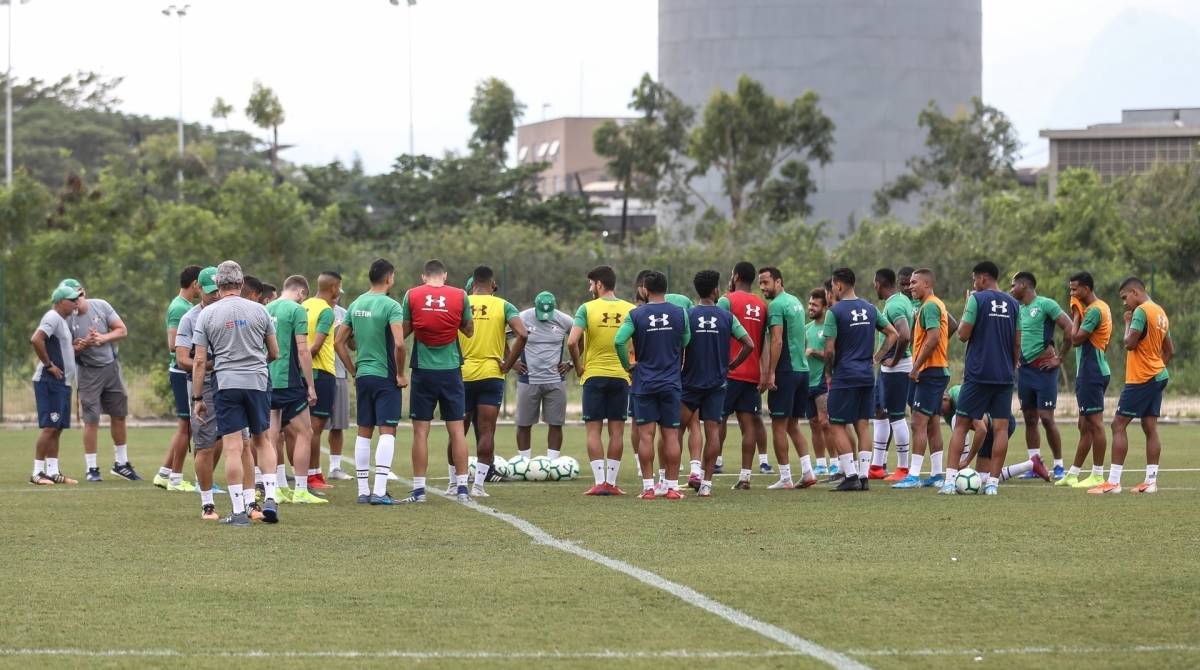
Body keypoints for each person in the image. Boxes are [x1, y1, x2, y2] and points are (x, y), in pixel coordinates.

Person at [191, 260, 281, 526]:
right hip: (257, 381)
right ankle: (271, 499)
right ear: (241, 284)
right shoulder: (260, 311)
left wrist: (197, 398)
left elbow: (198, 361)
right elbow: (274, 352)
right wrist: (256, 366)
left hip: (226, 382)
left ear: (218, 286)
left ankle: (239, 511)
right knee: (262, 440)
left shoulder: (207, 314)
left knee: (232, 447)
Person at [941, 261, 1021, 496]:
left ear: (983, 279)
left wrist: (968, 306)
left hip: (978, 374)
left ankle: (949, 481)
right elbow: (1017, 342)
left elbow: (963, 335)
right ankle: (993, 484)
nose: (974, 284)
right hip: (1004, 375)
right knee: (1001, 428)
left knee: (962, 425)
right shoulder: (1014, 304)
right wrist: (1012, 365)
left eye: (975, 279)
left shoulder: (977, 299)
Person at [334, 258, 408, 505]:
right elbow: (399, 343)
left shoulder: (356, 304)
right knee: (388, 430)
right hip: (385, 376)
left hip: (364, 376)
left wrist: (354, 370)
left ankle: (363, 491)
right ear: (389, 278)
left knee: (364, 431)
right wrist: (399, 374)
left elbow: (338, 342)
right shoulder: (391, 305)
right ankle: (379, 491)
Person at [1089, 277, 1173, 495]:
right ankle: (1151, 481)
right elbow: (1169, 350)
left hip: (1142, 378)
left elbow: (1129, 343)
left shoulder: (1141, 312)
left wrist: (1127, 322)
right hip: (1158, 374)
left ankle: (1114, 482)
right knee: (1149, 426)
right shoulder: (1160, 312)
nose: (1124, 303)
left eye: (1125, 297)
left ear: (1135, 292)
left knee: (1118, 425)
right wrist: (1156, 369)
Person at [400, 259, 473, 503]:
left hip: (423, 369)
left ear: (424, 277)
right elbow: (469, 330)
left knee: (421, 432)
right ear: (445, 275)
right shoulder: (460, 295)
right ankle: (462, 487)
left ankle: (419, 490)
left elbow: (405, 332)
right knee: (457, 430)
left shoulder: (412, 294)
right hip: (451, 369)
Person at [614, 271, 689, 499]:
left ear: (645, 289)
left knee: (646, 435)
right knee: (671, 435)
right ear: (665, 289)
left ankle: (648, 488)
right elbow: (687, 340)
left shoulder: (635, 314)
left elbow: (618, 341)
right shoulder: (680, 313)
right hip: (671, 382)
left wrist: (629, 364)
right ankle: (673, 488)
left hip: (644, 382)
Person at [824, 267, 898, 491]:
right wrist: (875, 358)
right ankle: (864, 478)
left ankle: (851, 475)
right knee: (862, 425)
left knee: (836, 424)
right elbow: (893, 334)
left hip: (845, 375)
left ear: (838, 285)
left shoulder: (834, 312)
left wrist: (830, 372)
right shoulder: (870, 308)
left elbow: (828, 351)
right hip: (867, 375)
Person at [681, 271, 754, 497]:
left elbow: (680, 345)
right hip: (717, 383)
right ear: (715, 291)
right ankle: (706, 485)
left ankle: (669, 482)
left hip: (690, 382)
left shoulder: (688, 315)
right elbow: (749, 344)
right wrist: (732, 364)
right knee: (713, 431)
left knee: (675, 431)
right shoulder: (727, 317)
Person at [458, 265, 527, 496]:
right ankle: (478, 486)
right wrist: (508, 365)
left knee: (459, 431)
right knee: (487, 431)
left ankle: (454, 484)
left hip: (463, 373)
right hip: (491, 374)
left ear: (473, 283)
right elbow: (523, 334)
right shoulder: (504, 305)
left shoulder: (461, 302)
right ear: (493, 283)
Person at [568, 265, 635, 496]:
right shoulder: (630, 309)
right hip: (620, 376)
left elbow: (571, 342)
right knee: (617, 432)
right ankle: (612, 483)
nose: (589, 288)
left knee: (593, 431)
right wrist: (630, 368)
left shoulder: (586, 308)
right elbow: (636, 345)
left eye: (591, 284)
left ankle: (599, 482)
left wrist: (578, 368)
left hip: (594, 375)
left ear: (599, 284)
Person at [61, 278, 135, 483]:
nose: (76, 302)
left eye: (78, 296)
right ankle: (91, 468)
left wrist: (102, 338)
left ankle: (121, 464)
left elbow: (122, 330)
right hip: (87, 373)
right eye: (70, 299)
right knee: (91, 420)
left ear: (83, 292)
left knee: (119, 415)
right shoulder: (66, 319)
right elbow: (66, 353)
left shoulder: (101, 306)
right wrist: (81, 346)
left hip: (111, 368)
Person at [265, 275, 326, 505]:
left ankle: (278, 488)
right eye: (304, 298)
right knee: (305, 432)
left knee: (272, 435)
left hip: (268, 380)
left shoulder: (266, 308)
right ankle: (300, 490)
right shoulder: (296, 310)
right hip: (289, 381)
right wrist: (310, 385)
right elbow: (303, 350)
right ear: (301, 292)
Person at [757, 267, 817, 490]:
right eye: (760, 283)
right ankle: (808, 472)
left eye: (766, 282)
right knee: (793, 425)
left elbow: (777, 341)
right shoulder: (796, 302)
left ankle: (785, 477)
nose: (763, 287)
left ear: (778, 282)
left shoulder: (777, 305)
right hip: (802, 370)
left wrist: (770, 372)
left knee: (779, 426)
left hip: (785, 371)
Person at [1011, 271, 1075, 480]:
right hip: (1025, 371)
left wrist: (1060, 357)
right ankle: (1034, 465)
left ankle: (1058, 466)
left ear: (1023, 285)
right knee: (1030, 418)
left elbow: (1069, 327)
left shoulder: (1046, 304)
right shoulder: (1017, 309)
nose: (1011, 290)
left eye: (1013, 285)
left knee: (1046, 418)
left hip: (1044, 369)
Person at [174, 266, 225, 519]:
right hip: (201, 384)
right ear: (199, 290)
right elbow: (182, 358)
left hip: (230, 383)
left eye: (219, 290)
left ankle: (248, 501)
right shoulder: (189, 318)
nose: (216, 295)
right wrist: (209, 363)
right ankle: (207, 503)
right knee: (204, 443)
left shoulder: (232, 313)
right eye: (210, 291)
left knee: (233, 441)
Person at [895, 268, 951, 489]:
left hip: (930, 371)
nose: (910, 286)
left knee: (917, 423)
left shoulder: (929, 306)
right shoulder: (934, 304)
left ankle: (914, 475)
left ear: (927, 283)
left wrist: (916, 367)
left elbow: (934, 337)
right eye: (909, 283)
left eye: (914, 282)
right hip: (937, 370)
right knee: (932, 424)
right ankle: (937, 473)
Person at [1057, 271, 1112, 489]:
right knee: (1084, 424)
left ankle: (1098, 474)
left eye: (1074, 289)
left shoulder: (1094, 311)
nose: (1071, 293)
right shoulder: (1102, 306)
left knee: (1095, 425)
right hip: (1092, 370)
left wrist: (1075, 313)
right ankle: (1073, 473)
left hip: (1092, 372)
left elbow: (1076, 339)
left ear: (1086, 289)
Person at [718, 261, 771, 486]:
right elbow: (764, 342)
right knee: (748, 424)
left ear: (736, 276)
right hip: (752, 374)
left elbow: (717, 333)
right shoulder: (762, 305)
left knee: (717, 420)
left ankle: (709, 470)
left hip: (729, 371)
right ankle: (745, 477)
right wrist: (767, 373)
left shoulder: (725, 300)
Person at [29, 285, 82, 486]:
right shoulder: (52, 317)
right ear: (60, 302)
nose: (76, 303)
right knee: (50, 427)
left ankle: (52, 472)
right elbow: (36, 339)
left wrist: (75, 348)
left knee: (57, 427)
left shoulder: (62, 321)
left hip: (63, 383)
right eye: (72, 299)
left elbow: (61, 350)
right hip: (49, 381)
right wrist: (49, 365)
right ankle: (37, 473)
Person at [942, 385, 1049, 483]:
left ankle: (964, 471)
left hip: (1001, 424)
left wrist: (966, 461)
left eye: (939, 408)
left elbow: (981, 429)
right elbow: (962, 438)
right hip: (989, 429)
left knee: (956, 419)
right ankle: (1031, 464)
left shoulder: (958, 395)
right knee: (982, 477)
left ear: (945, 398)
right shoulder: (947, 412)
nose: (939, 413)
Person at [157, 265, 202, 490]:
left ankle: (164, 473)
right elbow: (173, 344)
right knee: (185, 425)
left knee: (186, 426)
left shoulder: (187, 306)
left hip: (187, 369)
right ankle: (175, 478)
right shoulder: (179, 308)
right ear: (195, 284)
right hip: (181, 371)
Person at [514, 291, 574, 460]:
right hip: (528, 379)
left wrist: (571, 363)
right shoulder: (523, 317)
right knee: (524, 424)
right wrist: (511, 362)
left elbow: (579, 338)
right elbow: (501, 335)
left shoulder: (564, 320)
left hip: (556, 380)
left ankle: (552, 463)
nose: (544, 317)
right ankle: (524, 462)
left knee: (556, 424)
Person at [870, 268, 913, 481]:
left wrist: (894, 359)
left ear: (879, 283)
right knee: (880, 412)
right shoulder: (900, 301)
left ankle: (903, 469)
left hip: (898, 368)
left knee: (896, 416)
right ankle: (877, 466)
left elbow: (904, 335)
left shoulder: (896, 304)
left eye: (874, 284)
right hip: (887, 368)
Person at [302, 271, 342, 490]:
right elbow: (315, 347)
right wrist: (304, 361)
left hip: (303, 373)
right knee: (314, 429)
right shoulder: (326, 312)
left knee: (303, 428)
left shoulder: (303, 305)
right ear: (334, 288)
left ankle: (308, 474)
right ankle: (313, 476)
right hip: (321, 373)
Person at [804, 289, 832, 477]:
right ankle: (821, 464)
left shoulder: (829, 328)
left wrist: (815, 352)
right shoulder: (806, 329)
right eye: (809, 304)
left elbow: (833, 356)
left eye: (815, 304)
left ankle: (836, 463)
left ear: (824, 306)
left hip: (823, 380)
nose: (810, 307)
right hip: (808, 382)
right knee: (814, 423)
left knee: (825, 422)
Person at [327, 301, 353, 480]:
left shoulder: (344, 313)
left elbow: (353, 345)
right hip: (314, 372)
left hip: (339, 372)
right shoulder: (309, 308)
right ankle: (310, 471)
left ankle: (335, 467)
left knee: (337, 425)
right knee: (310, 427)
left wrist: (349, 333)